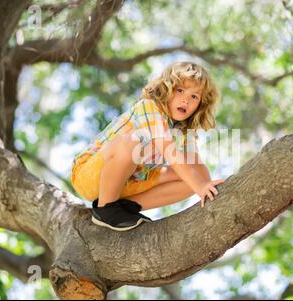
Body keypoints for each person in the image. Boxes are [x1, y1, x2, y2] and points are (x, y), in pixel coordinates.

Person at [70, 61, 225, 231]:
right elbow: (168, 150)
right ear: (166, 88)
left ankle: (128, 207)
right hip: (91, 175)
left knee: (198, 175)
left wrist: (204, 185)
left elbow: (195, 167)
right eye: (180, 90)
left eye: (194, 96)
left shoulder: (184, 129)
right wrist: (199, 186)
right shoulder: (149, 107)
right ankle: (106, 209)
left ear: (200, 104)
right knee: (132, 142)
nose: (185, 100)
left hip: (130, 182)